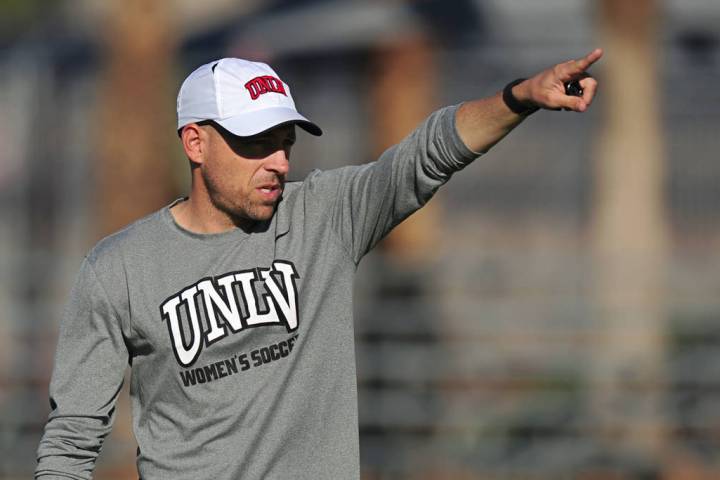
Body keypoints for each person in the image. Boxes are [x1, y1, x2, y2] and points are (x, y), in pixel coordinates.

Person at [35, 49, 602, 479]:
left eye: (286, 141)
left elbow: (427, 155)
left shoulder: (325, 218)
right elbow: (71, 441)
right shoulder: (119, 269)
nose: (279, 162)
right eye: (256, 142)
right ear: (195, 143)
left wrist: (520, 97)